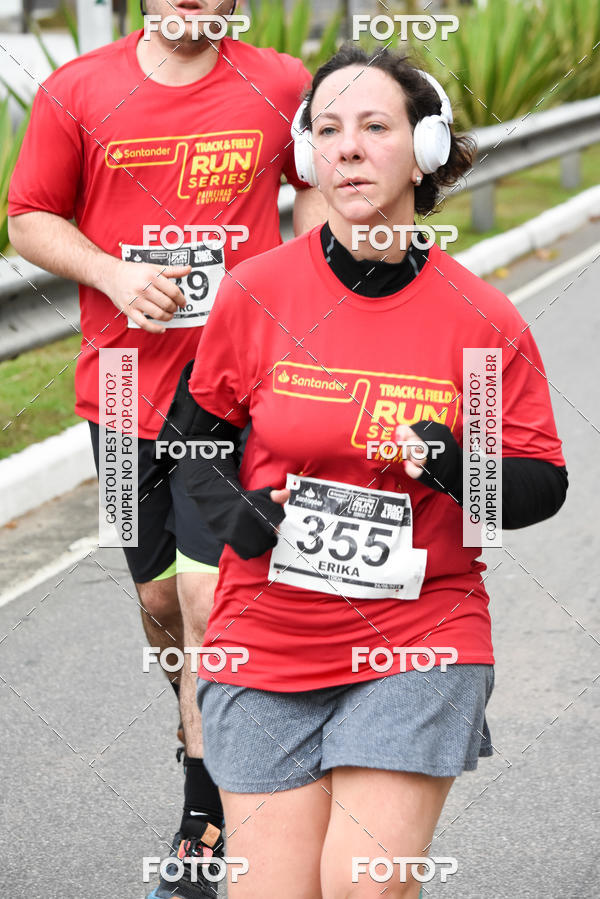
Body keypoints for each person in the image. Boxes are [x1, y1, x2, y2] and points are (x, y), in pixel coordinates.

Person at [162, 45, 568, 897]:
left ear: (424, 151)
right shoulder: (257, 293)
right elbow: (193, 442)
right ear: (309, 156)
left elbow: (540, 481)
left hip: (420, 636)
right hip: (268, 638)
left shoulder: (480, 319)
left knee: (362, 882)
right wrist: (243, 513)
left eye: (375, 126)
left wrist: (455, 464)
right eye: (328, 129)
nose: (347, 147)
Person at [7, 2, 326, 896]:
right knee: (158, 599)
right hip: (117, 387)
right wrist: (113, 273)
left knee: (204, 597)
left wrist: (308, 287)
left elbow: (316, 187)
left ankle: (204, 822)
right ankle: (206, 728)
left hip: (235, 386)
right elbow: (28, 217)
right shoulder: (77, 90)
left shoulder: (282, 83)